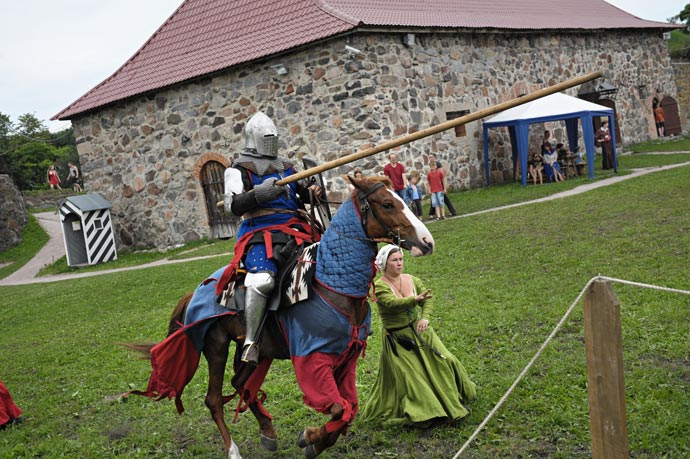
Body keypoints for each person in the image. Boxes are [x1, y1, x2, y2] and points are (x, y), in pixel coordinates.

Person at [221, 111, 323, 365]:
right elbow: (231, 206)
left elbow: (301, 195)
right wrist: (258, 194)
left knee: (327, 264)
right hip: (260, 233)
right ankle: (251, 342)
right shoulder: (237, 169)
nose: (271, 142)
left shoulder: (286, 166)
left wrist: (312, 191)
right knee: (263, 281)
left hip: (296, 227)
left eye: (273, 138)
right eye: (266, 138)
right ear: (253, 139)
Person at [360, 245, 476, 426]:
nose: (399, 264)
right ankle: (428, 412)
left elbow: (427, 299)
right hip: (400, 341)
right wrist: (414, 299)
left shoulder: (412, 279)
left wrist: (425, 318)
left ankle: (451, 399)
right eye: (395, 260)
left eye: (401, 259)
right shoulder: (380, 286)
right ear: (384, 264)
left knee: (447, 361)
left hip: (422, 332)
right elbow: (392, 303)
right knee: (414, 381)